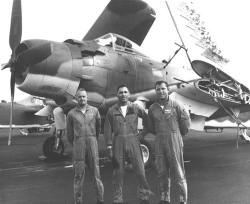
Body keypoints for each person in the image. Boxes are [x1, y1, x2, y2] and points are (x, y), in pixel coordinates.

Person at [104, 85, 150, 204]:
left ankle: (144, 198)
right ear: (117, 95)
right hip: (117, 143)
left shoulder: (135, 108)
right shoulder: (111, 110)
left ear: (129, 94)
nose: (123, 94)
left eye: (125, 92)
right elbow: (108, 130)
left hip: (133, 141)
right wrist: (109, 146)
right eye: (120, 92)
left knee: (140, 171)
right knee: (117, 173)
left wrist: (142, 132)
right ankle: (117, 199)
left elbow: (146, 120)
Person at [147, 81, 191, 204]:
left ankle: (183, 200)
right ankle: (164, 199)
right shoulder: (152, 108)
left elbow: (186, 125)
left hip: (174, 140)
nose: (161, 91)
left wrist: (176, 135)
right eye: (158, 89)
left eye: (163, 89)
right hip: (160, 141)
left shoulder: (176, 105)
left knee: (178, 171)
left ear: (168, 89)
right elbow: (151, 127)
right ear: (155, 91)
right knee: (162, 172)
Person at [66, 88, 104, 204]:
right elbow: (69, 134)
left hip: (93, 146)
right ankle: (78, 201)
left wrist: (92, 140)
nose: (82, 98)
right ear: (76, 99)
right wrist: (78, 142)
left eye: (84, 96)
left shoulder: (95, 111)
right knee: (78, 176)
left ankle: (100, 200)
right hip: (78, 148)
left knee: (97, 175)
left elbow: (98, 129)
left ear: (87, 98)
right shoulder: (71, 114)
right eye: (79, 97)